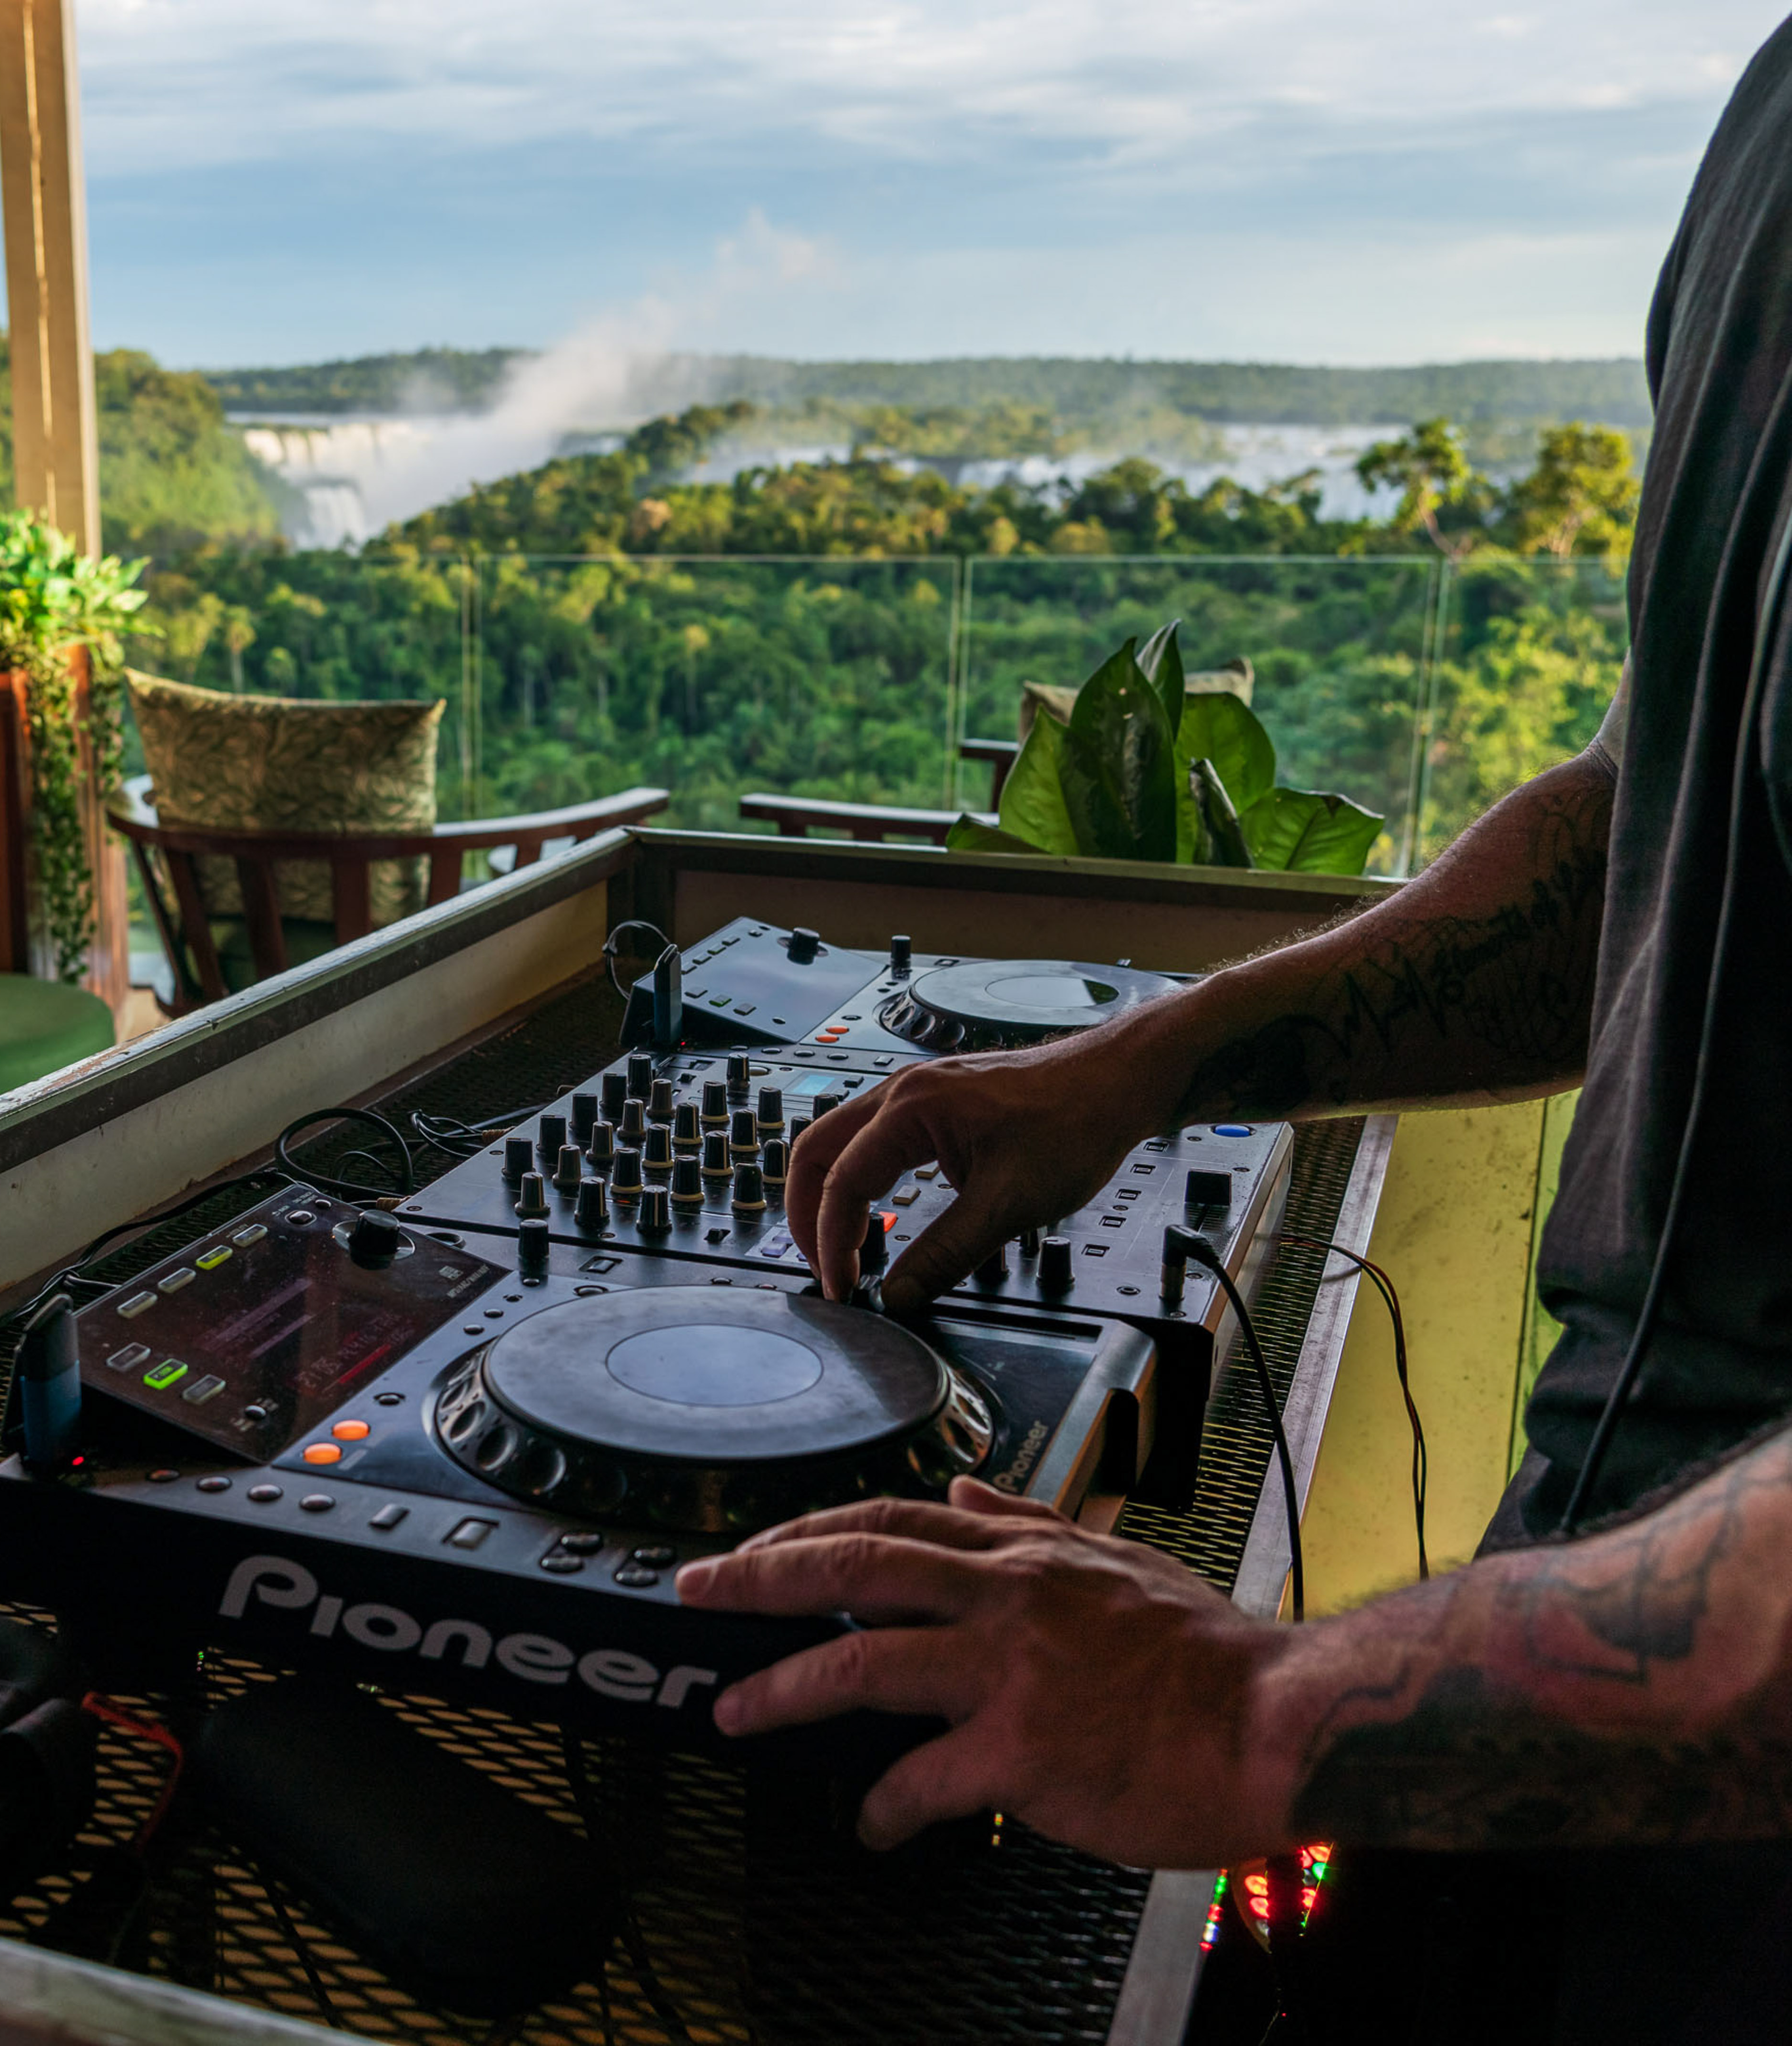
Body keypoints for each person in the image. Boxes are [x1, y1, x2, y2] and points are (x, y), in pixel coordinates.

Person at [676, 19, 1792, 2039]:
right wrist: (1164, 1056)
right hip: (1596, 1571)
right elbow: (1658, 811)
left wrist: (1259, 1699)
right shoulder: (1772, 127)